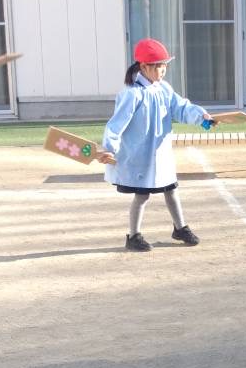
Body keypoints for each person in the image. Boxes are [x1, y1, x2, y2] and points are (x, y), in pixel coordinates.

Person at [94, 38, 221, 251]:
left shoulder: (164, 89)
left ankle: (180, 228)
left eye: (164, 66)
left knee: (171, 189)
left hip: (161, 153)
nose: (163, 70)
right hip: (139, 154)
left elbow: (181, 108)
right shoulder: (131, 94)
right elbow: (116, 125)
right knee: (142, 195)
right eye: (159, 66)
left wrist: (202, 117)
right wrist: (109, 148)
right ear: (144, 67)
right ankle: (133, 236)